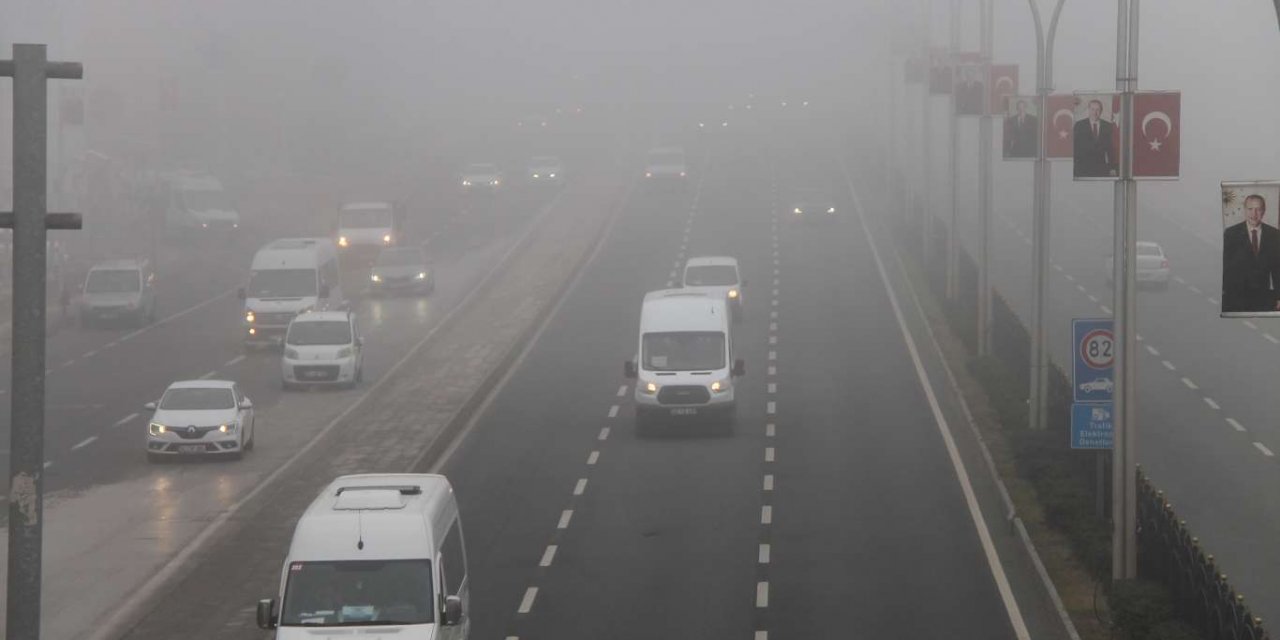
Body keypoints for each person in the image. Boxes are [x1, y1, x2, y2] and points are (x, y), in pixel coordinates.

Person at [1222, 194, 1280, 312]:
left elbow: (1278, 269)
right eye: (1250, 209)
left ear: (1264, 211)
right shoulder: (1231, 233)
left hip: (1264, 298)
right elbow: (1226, 268)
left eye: (1258, 209)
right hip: (1236, 298)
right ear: (1244, 210)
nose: (1254, 214)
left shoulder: (1274, 234)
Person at [1072, 99, 1117, 177]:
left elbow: (1110, 149)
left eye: (1097, 110)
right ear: (1088, 110)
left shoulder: (1107, 126)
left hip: (1101, 169)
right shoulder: (1079, 125)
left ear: (1101, 111)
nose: (1095, 113)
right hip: (1082, 168)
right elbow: (1075, 148)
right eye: (1092, 109)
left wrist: (1112, 167)